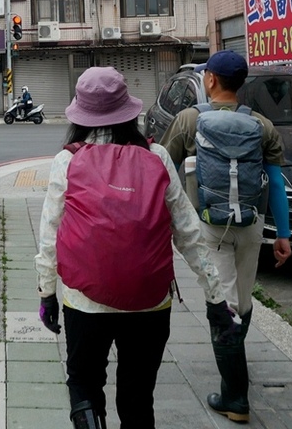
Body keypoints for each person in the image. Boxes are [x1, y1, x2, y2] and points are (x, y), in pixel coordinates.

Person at [35, 67, 234, 429]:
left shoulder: (68, 160)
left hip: (85, 302)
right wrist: (215, 299)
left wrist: (47, 293)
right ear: (129, 110)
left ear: (81, 115)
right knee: (138, 397)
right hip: (150, 302)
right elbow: (188, 231)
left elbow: (50, 233)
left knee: (83, 384)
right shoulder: (156, 156)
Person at [159, 50, 292, 423]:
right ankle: (234, 366)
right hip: (252, 225)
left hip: (210, 226)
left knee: (223, 304)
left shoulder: (189, 120)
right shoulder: (262, 125)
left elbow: (162, 172)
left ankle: (235, 397)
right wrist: (283, 234)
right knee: (242, 302)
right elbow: (276, 184)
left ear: (211, 79)